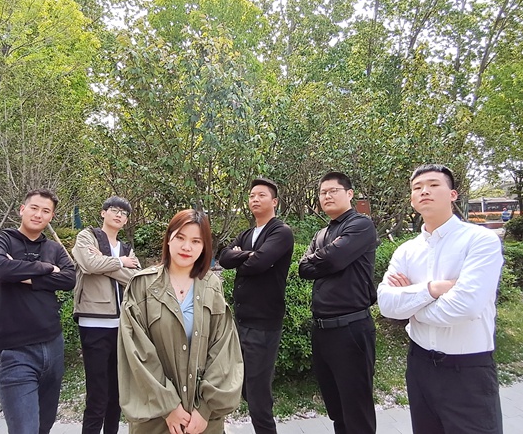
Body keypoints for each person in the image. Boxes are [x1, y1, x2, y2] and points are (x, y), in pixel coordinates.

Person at [377, 164, 503, 434]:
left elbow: (465, 306)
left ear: (453, 194)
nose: (425, 191)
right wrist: (433, 289)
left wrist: (412, 307)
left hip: (468, 370)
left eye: (434, 185)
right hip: (419, 366)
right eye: (417, 188)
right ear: (412, 199)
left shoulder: (480, 240)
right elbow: (387, 304)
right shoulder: (406, 251)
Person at [118, 209, 243, 434]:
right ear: (168, 239)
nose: (187, 247)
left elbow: (223, 348)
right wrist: (169, 407)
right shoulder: (141, 286)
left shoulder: (212, 286)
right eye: (180, 238)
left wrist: (205, 409)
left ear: (204, 247)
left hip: (203, 423)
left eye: (196, 241)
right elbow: (136, 352)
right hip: (155, 419)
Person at [0, 189, 77, 434]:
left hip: (53, 344)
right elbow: (2, 269)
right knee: (25, 429)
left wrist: (24, 275)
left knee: (44, 425)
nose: (38, 214)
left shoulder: (54, 248)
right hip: (15, 350)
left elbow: (69, 279)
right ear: (22, 209)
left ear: (51, 216)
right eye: (34, 208)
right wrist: (47, 268)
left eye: (46, 211)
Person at [298, 171, 378, 434]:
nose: (327, 196)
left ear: (349, 194)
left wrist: (323, 259)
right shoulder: (322, 233)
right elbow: (303, 268)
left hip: (351, 329)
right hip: (322, 331)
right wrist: (327, 257)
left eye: (333, 191)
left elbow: (333, 259)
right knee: (336, 410)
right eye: (323, 192)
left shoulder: (361, 225)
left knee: (356, 411)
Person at [218, 177, 294, 434]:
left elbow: (258, 263)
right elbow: (224, 258)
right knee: (244, 388)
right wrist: (247, 255)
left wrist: (244, 257)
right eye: (252, 195)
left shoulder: (280, 232)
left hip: (264, 323)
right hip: (241, 320)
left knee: (258, 393)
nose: (255, 199)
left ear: (274, 201)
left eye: (261, 195)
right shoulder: (247, 234)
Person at [71, 196, 141, 434]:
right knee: (97, 393)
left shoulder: (126, 248)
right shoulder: (87, 236)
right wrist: (120, 263)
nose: (119, 215)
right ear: (103, 213)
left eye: (124, 213)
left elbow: (136, 280)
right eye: (114, 210)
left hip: (122, 326)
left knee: (116, 393)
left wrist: (104, 263)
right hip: (94, 322)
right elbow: (89, 264)